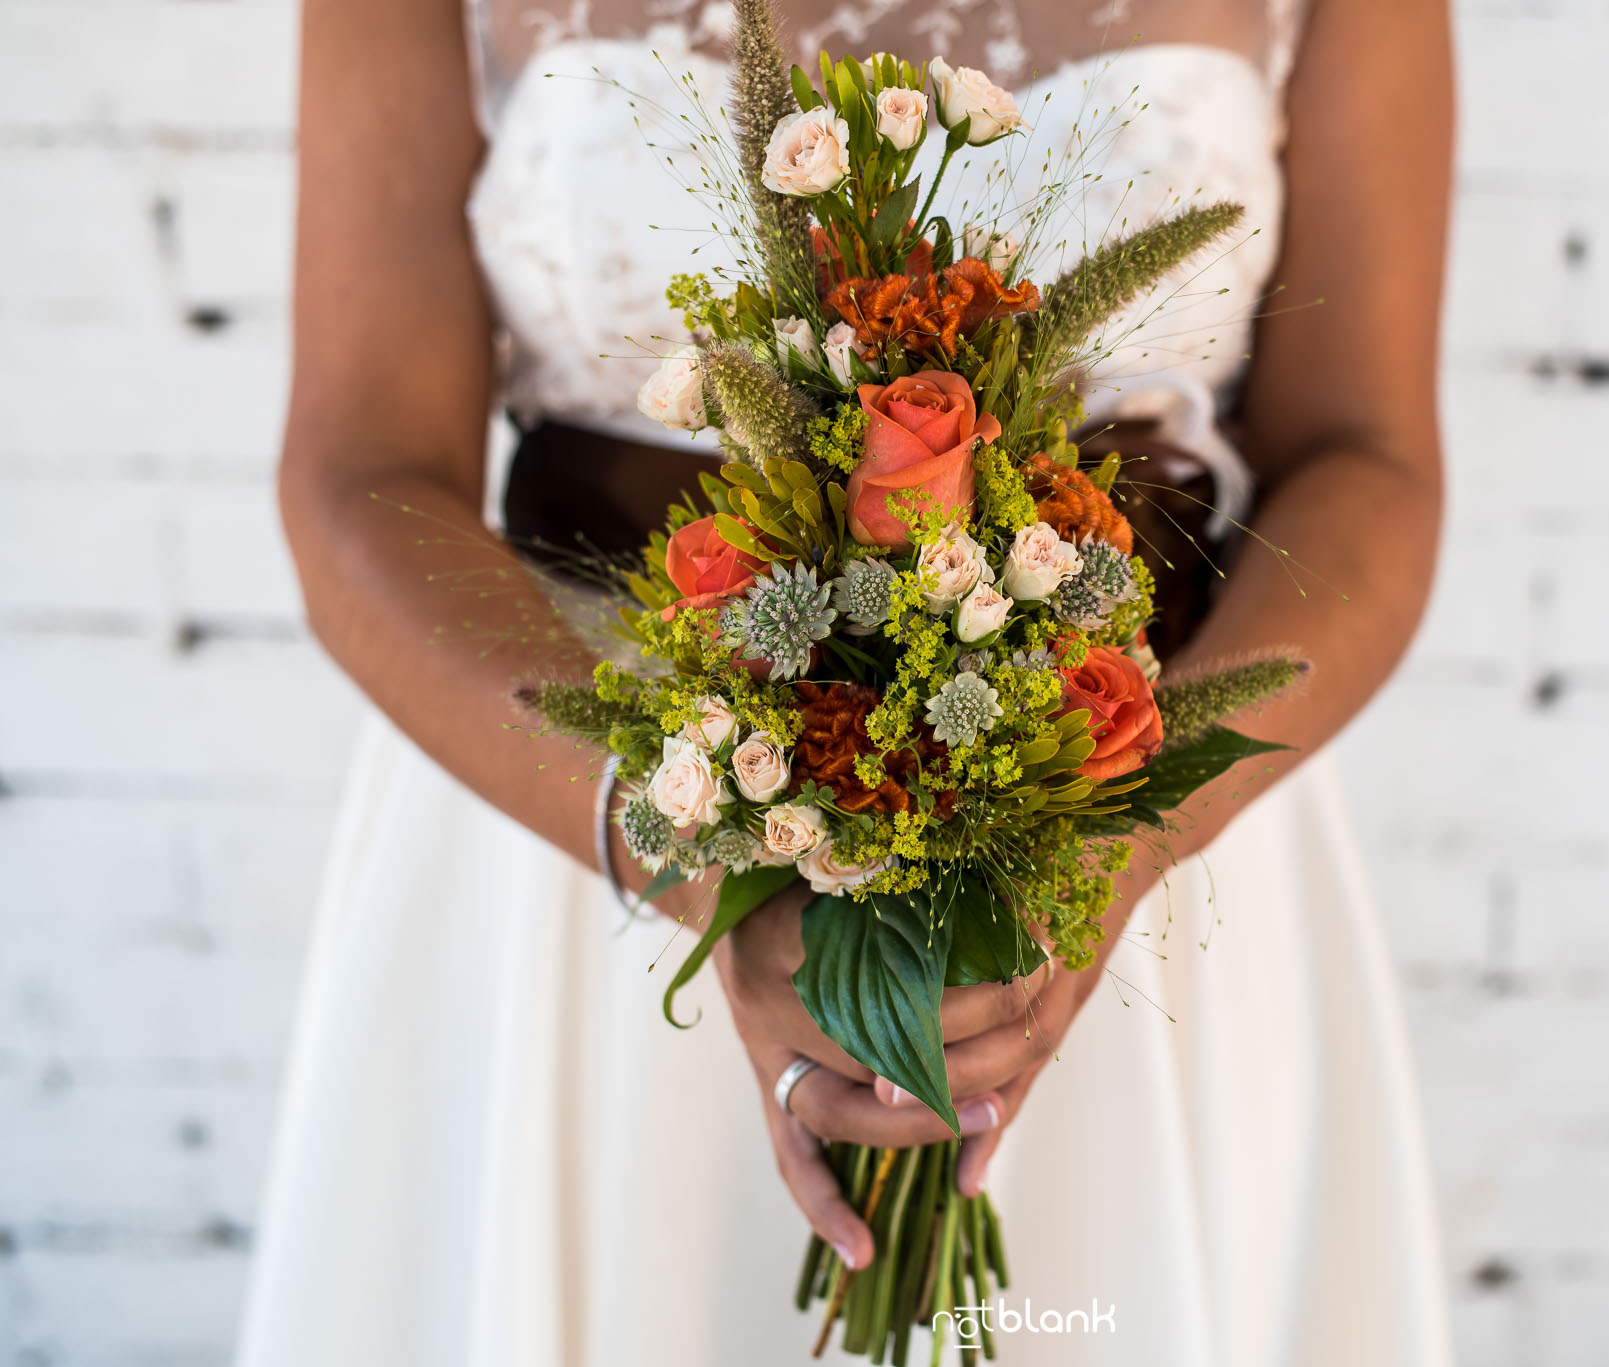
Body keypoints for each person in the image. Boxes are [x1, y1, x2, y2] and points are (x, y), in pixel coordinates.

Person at [238, 1, 1456, 1362]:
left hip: (1132, 836)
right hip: (581, 845)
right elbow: (359, 479)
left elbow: (1369, 458)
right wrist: (688, 858)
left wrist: (1119, 845)